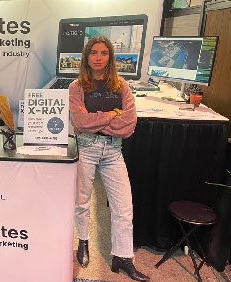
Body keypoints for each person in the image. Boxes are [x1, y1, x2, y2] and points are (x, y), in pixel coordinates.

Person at [69, 36, 149, 281]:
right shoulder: (77, 87)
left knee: (124, 207)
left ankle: (122, 257)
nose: (99, 57)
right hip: (86, 148)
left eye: (104, 53)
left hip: (114, 152)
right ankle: (83, 241)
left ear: (110, 57)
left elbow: (129, 125)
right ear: (87, 56)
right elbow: (80, 123)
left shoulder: (121, 86)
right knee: (82, 201)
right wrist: (113, 114)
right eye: (94, 53)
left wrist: (99, 122)